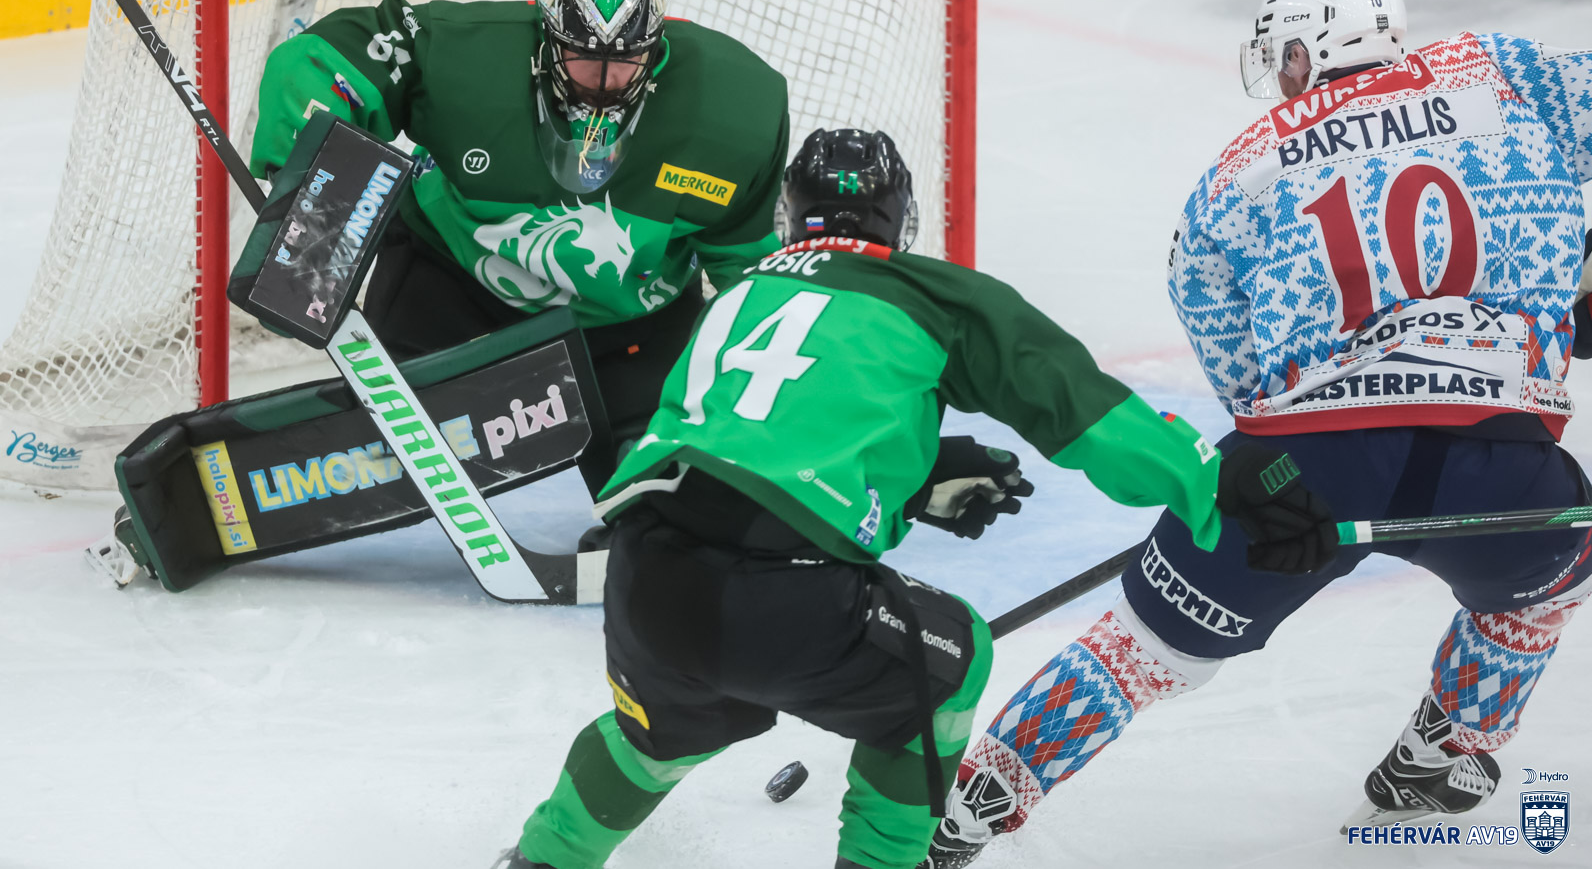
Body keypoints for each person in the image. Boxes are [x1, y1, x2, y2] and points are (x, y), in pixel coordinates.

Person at [494, 128, 1332, 869]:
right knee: (950, 661)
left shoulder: (743, 292)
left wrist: (914, 476)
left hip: (646, 574)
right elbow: (1082, 409)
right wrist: (1210, 482)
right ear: (900, 221)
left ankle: (544, 855)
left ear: (791, 217)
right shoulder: (934, 294)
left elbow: (749, 439)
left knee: (660, 732)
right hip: (780, 593)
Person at [923, 0, 1592, 867]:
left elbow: (1208, 309)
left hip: (1309, 464)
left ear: (1299, 54)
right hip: (1500, 454)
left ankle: (967, 811)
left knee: (1143, 648)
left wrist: (1263, 456)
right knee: (1552, 580)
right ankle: (1449, 746)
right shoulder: (1502, 71)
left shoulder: (1243, 166)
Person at [250, 0, 789, 489]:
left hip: (626, 332)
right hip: (453, 297)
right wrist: (308, 202)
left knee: (659, 493)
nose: (605, 83)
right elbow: (319, 59)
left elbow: (752, 265)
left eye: (625, 61)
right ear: (547, 36)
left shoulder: (737, 107)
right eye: (584, 59)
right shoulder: (467, 53)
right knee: (395, 479)